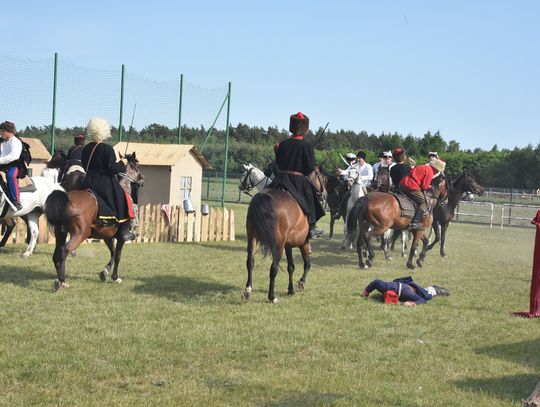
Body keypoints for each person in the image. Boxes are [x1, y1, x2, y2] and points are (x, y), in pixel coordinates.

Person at [268, 112, 325, 239]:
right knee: (311, 198)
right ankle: (312, 227)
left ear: (292, 127)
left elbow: (278, 162)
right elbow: (309, 168)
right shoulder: (307, 146)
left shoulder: (281, 144)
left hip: (280, 178)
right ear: (305, 128)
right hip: (297, 180)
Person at [81, 117, 136, 241]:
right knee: (123, 197)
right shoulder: (107, 149)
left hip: (87, 180)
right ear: (105, 131)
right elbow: (111, 168)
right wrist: (122, 164)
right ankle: (123, 230)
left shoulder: (85, 149)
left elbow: (84, 166)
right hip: (103, 181)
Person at [398, 158, 446, 230]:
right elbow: (424, 186)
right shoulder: (430, 171)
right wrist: (429, 186)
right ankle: (415, 222)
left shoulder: (423, 166)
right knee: (424, 202)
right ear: (436, 168)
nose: (437, 172)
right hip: (412, 186)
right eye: (438, 170)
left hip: (402, 184)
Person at [361, 276, 450, 306]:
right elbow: (376, 282)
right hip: (403, 285)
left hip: (413, 289)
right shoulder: (384, 287)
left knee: (427, 295)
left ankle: (435, 289)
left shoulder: (407, 294)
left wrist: (412, 303)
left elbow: (422, 300)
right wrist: (366, 291)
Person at [0, 121, 26, 210]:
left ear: (8, 132)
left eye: (2, 131)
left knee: (11, 175)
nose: (0, 133)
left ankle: (16, 201)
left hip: (15, 164)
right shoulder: (2, 142)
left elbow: (13, 156)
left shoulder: (16, 142)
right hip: (3, 164)